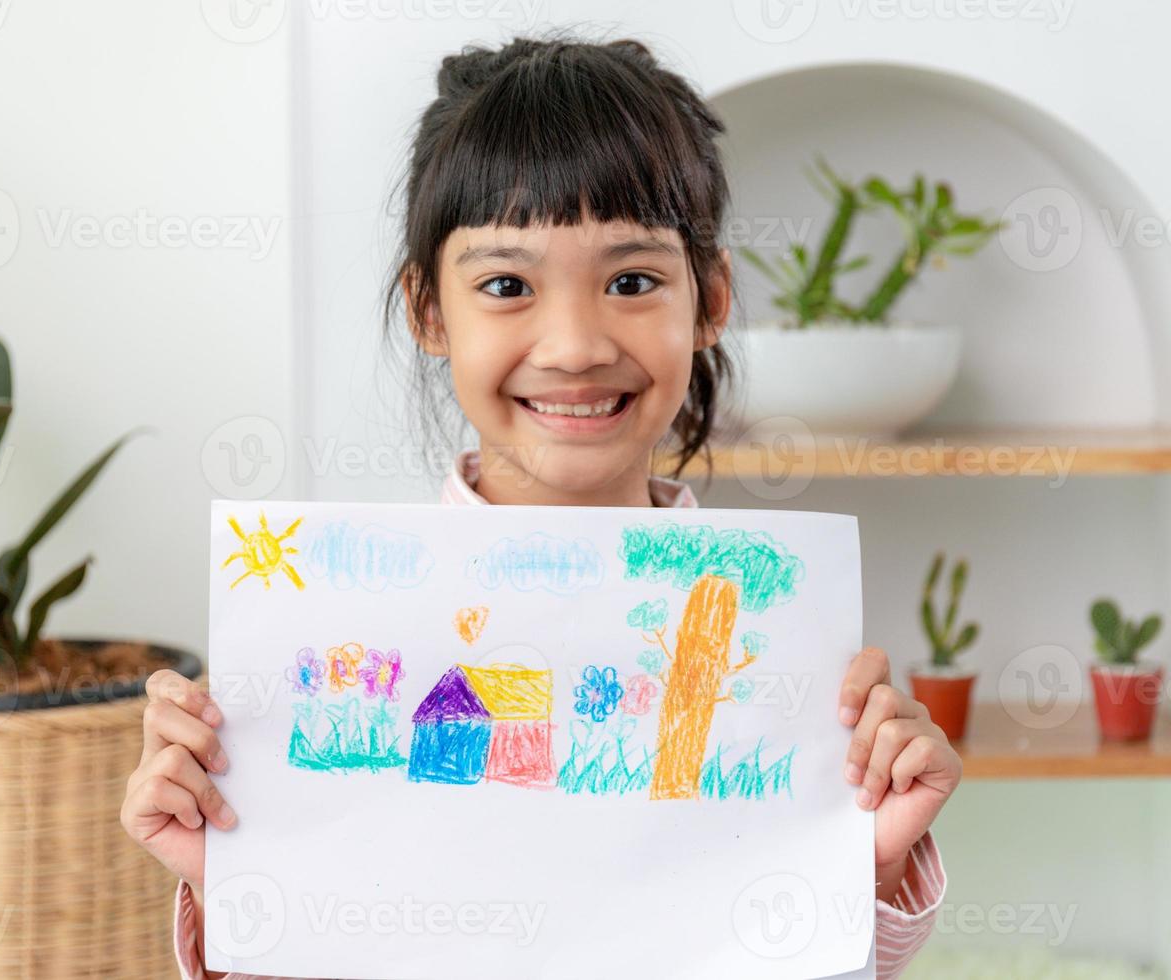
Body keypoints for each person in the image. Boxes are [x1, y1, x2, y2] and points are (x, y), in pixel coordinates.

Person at [122, 32, 960, 980]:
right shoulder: (341, 637)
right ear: (429, 312)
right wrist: (236, 874)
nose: (572, 345)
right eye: (507, 285)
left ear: (711, 298)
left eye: (633, 281)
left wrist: (869, 865)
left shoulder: (781, 637)